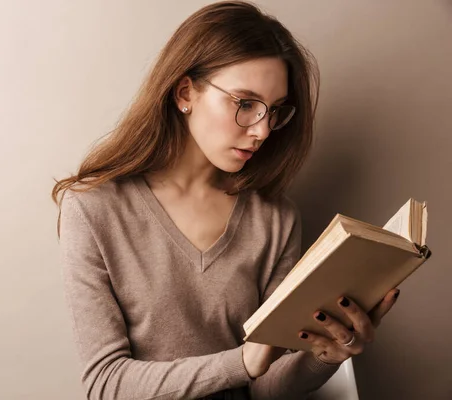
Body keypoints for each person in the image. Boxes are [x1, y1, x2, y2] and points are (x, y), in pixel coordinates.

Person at [52, 1, 400, 399]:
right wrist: (241, 363)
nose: (263, 130)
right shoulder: (94, 208)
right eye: (245, 103)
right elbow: (105, 384)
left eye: (274, 112)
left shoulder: (274, 219)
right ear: (186, 92)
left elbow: (265, 387)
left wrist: (327, 356)